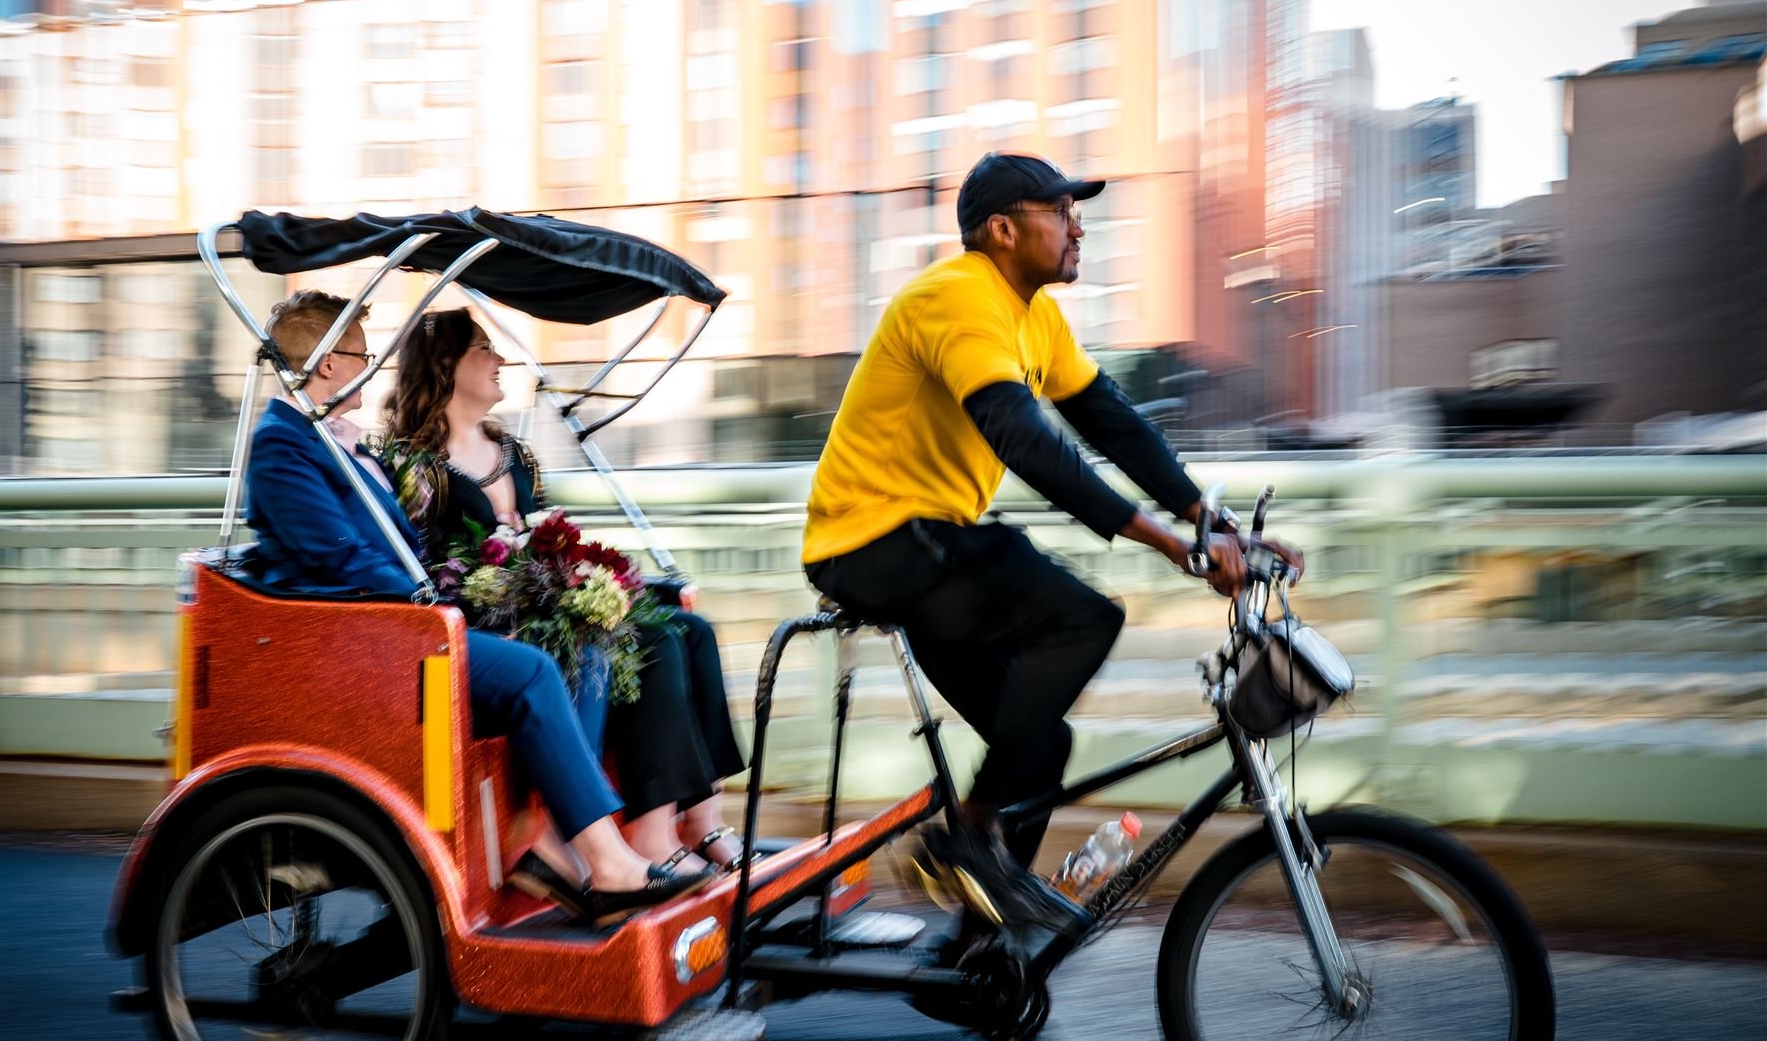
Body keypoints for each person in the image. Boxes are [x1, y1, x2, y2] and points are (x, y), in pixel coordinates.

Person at [803, 152, 1299, 941]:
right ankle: (965, 836)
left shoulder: (1035, 316)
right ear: (1003, 229)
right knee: (1084, 619)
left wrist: (1208, 518)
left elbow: (1111, 421)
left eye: (1078, 211)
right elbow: (1028, 442)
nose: (1078, 225)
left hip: (934, 551)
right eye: (1060, 210)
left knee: (1035, 740)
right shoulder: (959, 296)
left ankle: (981, 964)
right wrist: (1162, 539)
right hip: (874, 543)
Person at [241, 289, 712, 924]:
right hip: (368, 641)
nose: (371, 365)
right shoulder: (283, 444)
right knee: (535, 668)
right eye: (359, 353)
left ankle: (606, 842)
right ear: (326, 363)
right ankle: (604, 860)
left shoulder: (340, 440)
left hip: (402, 625)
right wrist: (429, 600)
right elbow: (340, 558)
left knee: (589, 639)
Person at [380, 309, 752, 875]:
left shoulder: (517, 455)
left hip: (545, 604)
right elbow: (422, 570)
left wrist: (577, 580)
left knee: (692, 630)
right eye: (485, 349)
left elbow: (546, 539)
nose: (500, 359)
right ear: (448, 365)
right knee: (655, 644)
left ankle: (703, 819)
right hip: (483, 623)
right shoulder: (417, 467)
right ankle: (649, 831)